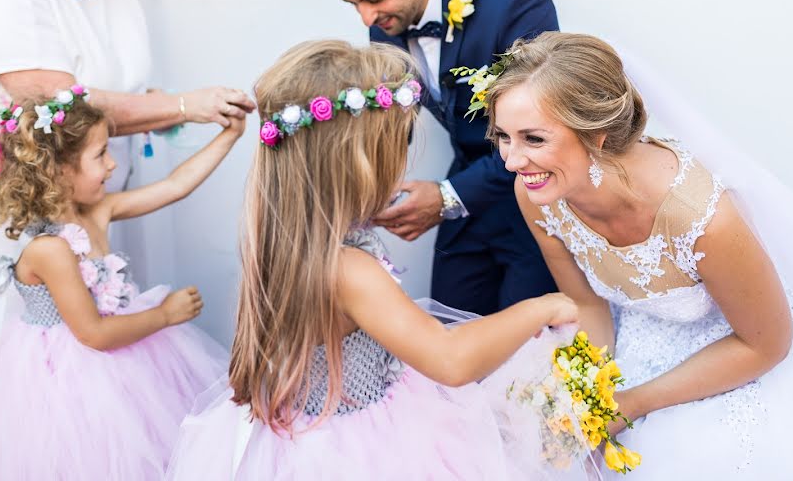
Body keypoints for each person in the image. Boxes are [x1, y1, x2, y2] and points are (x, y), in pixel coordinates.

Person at [164, 40, 585, 481]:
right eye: (397, 143)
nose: (404, 158)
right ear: (358, 162)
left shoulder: (290, 236)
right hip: (361, 451)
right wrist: (541, 307)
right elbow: (450, 359)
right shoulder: (347, 268)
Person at [487, 31, 793, 478]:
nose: (513, 161)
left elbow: (765, 345)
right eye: (503, 137)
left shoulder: (702, 218)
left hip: (736, 350)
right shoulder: (537, 193)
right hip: (634, 339)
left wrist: (630, 404)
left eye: (533, 139)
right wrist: (588, 395)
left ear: (597, 134)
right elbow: (589, 304)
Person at [0, 0, 255, 369]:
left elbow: (115, 83)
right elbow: (56, 99)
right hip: (13, 200)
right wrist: (184, 106)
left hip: (85, 188)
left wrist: (172, 112)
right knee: (16, 356)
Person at [0, 89, 248, 479]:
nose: (112, 164)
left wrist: (229, 136)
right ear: (60, 171)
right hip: (70, 383)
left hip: (123, 359)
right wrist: (165, 314)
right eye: (101, 154)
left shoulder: (98, 211)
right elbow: (94, 334)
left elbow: (175, 186)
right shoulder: (49, 250)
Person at [322, 0, 558, 315]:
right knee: (448, 329)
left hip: (534, 201)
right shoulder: (385, 25)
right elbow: (394, 122)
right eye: (354, 4)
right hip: (466, 195)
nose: (366, 19)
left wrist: (447, 197)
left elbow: (542, 132)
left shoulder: (516, 2)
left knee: (526, 347)